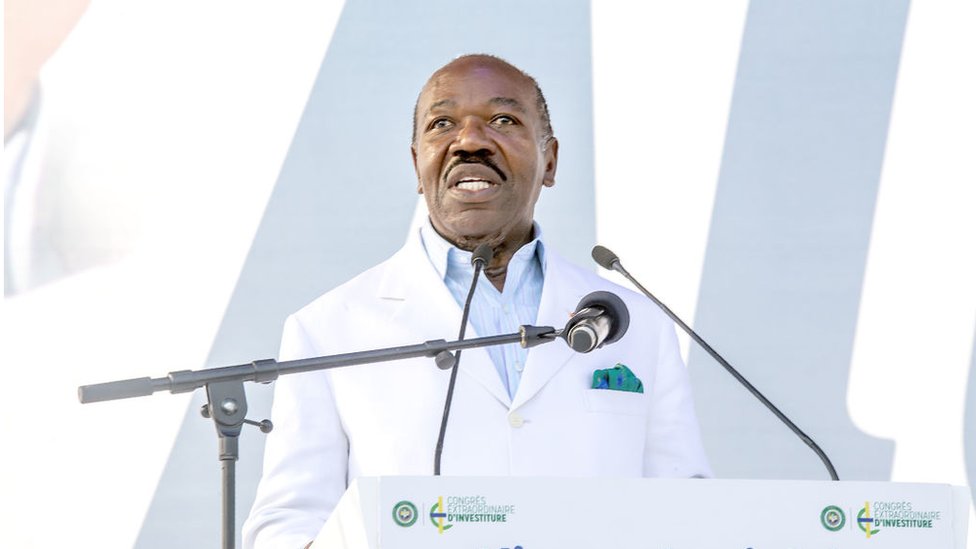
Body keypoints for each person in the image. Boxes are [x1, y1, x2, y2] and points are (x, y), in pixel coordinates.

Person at [242, 54, 711, 548]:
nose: (469, 141)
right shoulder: (328, 328)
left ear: (550, 161)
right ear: (417, 164)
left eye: (503, 120)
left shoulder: (638, 322)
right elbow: (288, 525)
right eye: (442, 124)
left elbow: (691, 508)